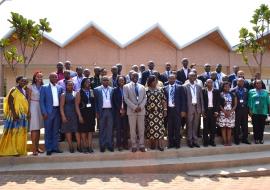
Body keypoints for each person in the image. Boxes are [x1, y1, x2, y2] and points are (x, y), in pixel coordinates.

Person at [0, 76, 29, 156]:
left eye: (25, 81)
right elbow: (10, 102)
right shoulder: (14, 89)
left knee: (20, 132)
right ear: (18, 81)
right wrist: (14, 114)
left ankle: (19, 149)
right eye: (22, 81)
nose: (24, 82)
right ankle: (12, 150)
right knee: (13, 132)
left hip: (22, 115)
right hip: (14, 115)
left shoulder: (24, 90)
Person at [40, 73, 63, 156]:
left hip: (57, 111)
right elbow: (41, 101)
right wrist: (44, 112)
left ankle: (55, 147)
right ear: (49, 78)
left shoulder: (60, 88)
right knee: (48, 130)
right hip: (48, 112)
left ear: (57, 78)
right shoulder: (44, 87)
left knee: (56, 130)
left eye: (55, 77)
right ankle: (49, 148)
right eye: (52, 77)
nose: (54, 78)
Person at [123, 72, 147, 152]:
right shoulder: (126, 86)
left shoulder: (142, 86)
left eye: (137, 76)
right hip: (131, 111)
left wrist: (141, 106)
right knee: (132, 129)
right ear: (130, 77)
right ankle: (133, 145)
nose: (135, 77)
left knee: (141, 128)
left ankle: (141, 144)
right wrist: (134, 107)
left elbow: (145, 98)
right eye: (133, 76)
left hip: (141, 110)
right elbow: (126, 98)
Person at [163, 74, 187, 149]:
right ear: (168, 79)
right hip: (169, 110)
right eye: (170, 78)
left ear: (175, 79)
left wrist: (183, 110)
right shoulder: (165, 88)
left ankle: (177, 144)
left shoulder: (180, 87)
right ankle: (170, 144)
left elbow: (183, 100)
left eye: (173, 78)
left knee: (177, 128)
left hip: (178, 111)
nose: (171, 80)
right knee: (170, 128)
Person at [145, 75, 167, 151]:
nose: (156, 82)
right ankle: (153, 144)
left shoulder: (160, 89)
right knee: (151, 129)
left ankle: (160, 145)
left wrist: (165, 110)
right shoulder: (146, 90)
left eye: (156, 80)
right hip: (150, 113)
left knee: (160, 129)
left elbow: (163, 100)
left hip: (159, 113)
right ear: (150, 81)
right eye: (154, 80)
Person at [184, 72, 204, 148]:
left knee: (196, 125)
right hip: (189, 108)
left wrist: (202, 109)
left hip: (197, 108)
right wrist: (184, 110)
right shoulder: (185, 86)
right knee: (189, 125)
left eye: (194, 76)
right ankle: (189, 140)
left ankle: (195, 140)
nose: (192, 77)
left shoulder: (199, 87)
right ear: (188, 77)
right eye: (191, 76)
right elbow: (184, 99)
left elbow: (201, 98)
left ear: (196, 77)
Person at [75, 78, 96, 153]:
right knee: (83, 131)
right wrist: (79, 116)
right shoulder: (79, 92)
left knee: (90, 131)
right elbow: (76, 105)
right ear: (83, 83)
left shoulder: (91, 91)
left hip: (91, 114)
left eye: (89, 82)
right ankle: (85, 146)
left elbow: (93, 102)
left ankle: (90, 146)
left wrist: (95, 113)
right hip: (83, 114)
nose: (88, 83)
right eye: (87, 82)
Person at [94, 76, 114, 152]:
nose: (106, 81)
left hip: (110, 111)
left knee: (110, 129)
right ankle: (102, 145)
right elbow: (95, 102)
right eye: (104, 80)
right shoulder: (96, 90)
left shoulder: (112, 89)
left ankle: (110, 145)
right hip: (101, 111)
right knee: (102, 129)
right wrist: (96, 112)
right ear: (101, 81)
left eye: (107, 80)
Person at [60, 80, 80, 153]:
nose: (70, 86)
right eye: (69, 85)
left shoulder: (76, 93)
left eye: (72, 85)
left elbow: (78, 104)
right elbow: (61, 107)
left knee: (77, 130)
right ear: (66, 86)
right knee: (68, 130)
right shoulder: (63, 95)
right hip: (67, 114)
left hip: (75, 114)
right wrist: (63, 116)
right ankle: (71, 146)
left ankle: (79, 145)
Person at [248, 80, 270, 144]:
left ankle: (261, 138)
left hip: (263, 111)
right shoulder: (251, 91)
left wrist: (268, 112)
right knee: (255, 126)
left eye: (260, 83)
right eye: (257, 83)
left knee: (262, 126)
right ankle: (256, 139)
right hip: (254, 111)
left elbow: (268, 102)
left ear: (262, 84)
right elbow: (249, 101)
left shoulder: (266, 92)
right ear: (255, 84)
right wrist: (250, 111)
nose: (258, 84)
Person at [28, 72, 44, 156]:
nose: (40, 78)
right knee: (34, 129)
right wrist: (28, 111)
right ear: (35, 77)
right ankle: (33, 149)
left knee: (38, 129)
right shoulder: (30, 86)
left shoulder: (43, 87)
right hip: (33, 107)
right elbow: (28, 99)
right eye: (38, 76)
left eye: (41, 77)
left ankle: (37, 147)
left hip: (40, 107)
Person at [231, 78, 250, 145]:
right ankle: (236, 139)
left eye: (242, 82)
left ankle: (245, 139)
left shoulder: (246, 90)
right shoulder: (233, 90)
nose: (241, 83)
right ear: (237, 82)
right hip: (237, 110)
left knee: (245, 125)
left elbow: (248, 99)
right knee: (237, 125)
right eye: (240, 81)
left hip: (244, 110)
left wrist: (248, 110)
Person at [112, 76, 129, 151]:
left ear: (125, 81)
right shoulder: (115, 90)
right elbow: (114, 101)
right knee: (118, 129)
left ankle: (125, 144)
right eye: (120, 80)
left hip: (126, 111)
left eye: (123, 80)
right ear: (118, 81)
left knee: (125, 129)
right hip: (117, 112)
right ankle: (119, 145)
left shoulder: (127, 89)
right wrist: (120, 109)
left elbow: (129, 100)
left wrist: (124, 109)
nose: (121, 81)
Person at [218, 82, 237, 146]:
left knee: (229, 128)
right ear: (223, 87)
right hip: (222, 113)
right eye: (225, 86)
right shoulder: (220, 94)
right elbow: (219, 104)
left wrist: (230, 112)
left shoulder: (233, 94)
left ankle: (229, 141)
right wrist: (225, 112)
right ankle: (224, 141)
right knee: (223, 127)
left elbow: (235, 105)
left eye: (228, 86)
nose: (227, 88)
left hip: (231, 113)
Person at [202, 79, 220, 147]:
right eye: (208, 82)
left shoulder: (216, 91)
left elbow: (218, 102)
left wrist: (216, 111)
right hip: (206, 111)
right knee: (205, 127)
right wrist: (202, 111)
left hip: (213, 111)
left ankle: (212, 141)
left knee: (213, 127)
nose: (210, 83)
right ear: (206, 83)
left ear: (213, 83)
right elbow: (202, 101)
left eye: (211, 82)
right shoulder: (203, 91)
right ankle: (205, 141)